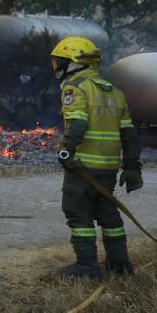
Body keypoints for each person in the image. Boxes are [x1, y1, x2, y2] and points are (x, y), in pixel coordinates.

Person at [51, 36, 142, 278]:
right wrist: (133, 167)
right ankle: (120, 265)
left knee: (77, 212)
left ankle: (86, 267)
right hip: (108, 168)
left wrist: (66, 150)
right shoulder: (115, 92)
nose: (56, 67)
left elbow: (78, 123)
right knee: (107, 213)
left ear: (73, 63)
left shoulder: (76, 88)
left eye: (59, 61)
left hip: (82, 166)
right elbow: (129, 134)